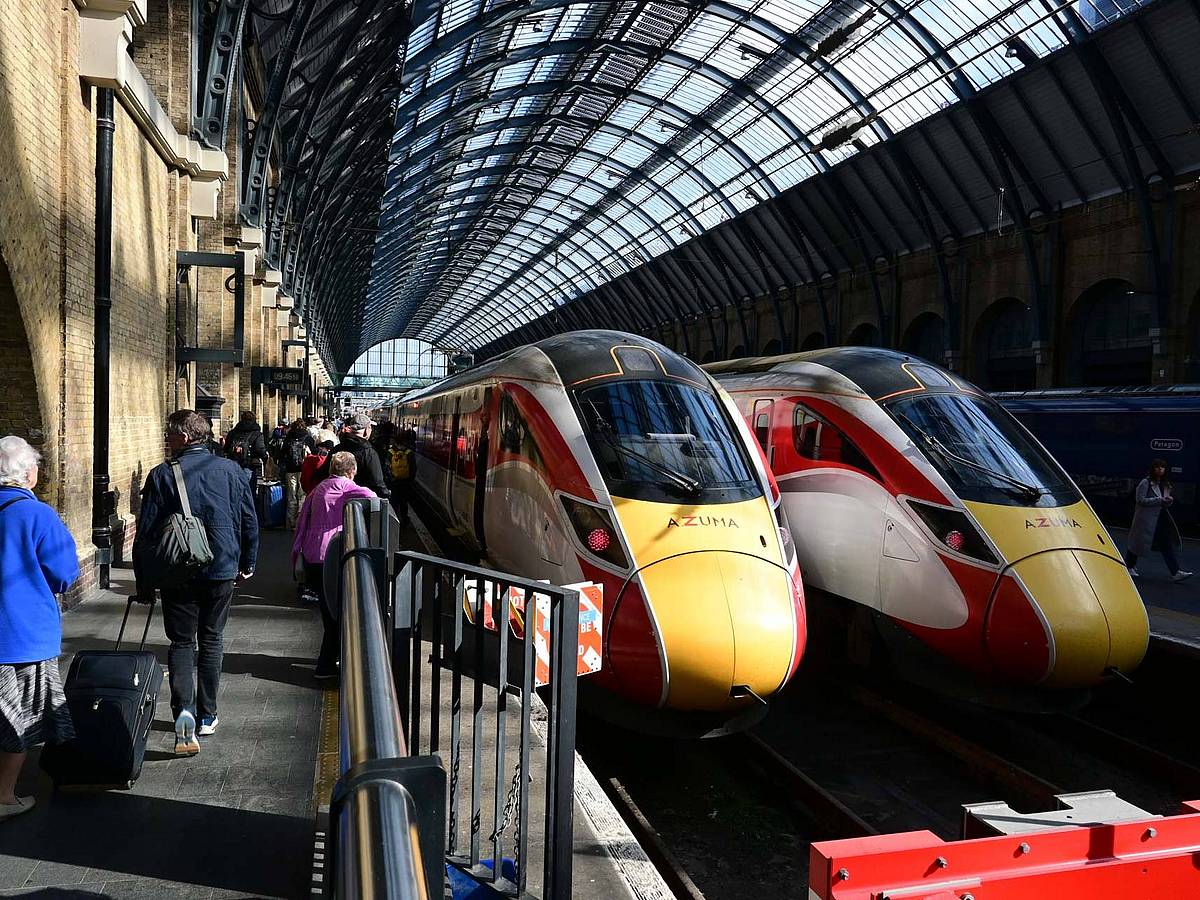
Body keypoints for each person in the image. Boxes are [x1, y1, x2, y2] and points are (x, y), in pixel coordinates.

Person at [134, 410, 259, 756]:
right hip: (222, 569)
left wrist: (144, 583)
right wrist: (247, 562)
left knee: (182, 644)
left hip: (178, 572)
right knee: (212, 639)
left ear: (185, 438)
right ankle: (208, 715)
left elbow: (146, 534)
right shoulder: (232, 471)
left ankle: (184, 716)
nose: (167, 441)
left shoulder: (162, 475)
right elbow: (250, 520)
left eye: (170, 435)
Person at [0, 436, 78, 819]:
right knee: (18, 717)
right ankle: (4, 796)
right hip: (21, 636)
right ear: (26, 473)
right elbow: (64, 573)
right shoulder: (37, 515)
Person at [292, 452, 376, 680]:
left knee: (329, 611)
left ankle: (332, 659)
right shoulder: (345, 487)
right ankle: (325, 665)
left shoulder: (319, 487)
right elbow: (373, 496)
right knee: (336, 614)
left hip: (312, 555)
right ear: (352, 470)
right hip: (331, 556)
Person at [1125, 459, 1192, 582]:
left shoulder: (1165, 484)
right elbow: (1140, 500)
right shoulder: (1145, 483)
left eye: (1162, 467)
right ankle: (1129, 566)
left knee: (1165, 544)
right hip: (1146, 519)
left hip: (1160, 518)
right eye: (1157, 467)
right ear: (1153, 469)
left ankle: (1175, 571)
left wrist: (1168, 501)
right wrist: (1159, 500)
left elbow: (1163, 502)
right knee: (1137, 542)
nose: (1160, 469)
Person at [316, 413, 390, 499]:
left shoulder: (336, 449)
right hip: (361, 504)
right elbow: (377, 482)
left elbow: (323, 474)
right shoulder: (369, 453)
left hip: (336, 501)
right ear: (367, 430)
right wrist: (386, 495)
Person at [224, 411, 269, 495]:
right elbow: (260, 449)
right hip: (248, 465)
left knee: (234, 492)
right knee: (249, 493)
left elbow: (226, 448)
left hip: (233, 466)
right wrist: (265, 457)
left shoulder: (233, 432)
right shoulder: (257, 434)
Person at [281, 420, 315, 529]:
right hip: (304, 469)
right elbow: (313, 453)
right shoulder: (308, 438)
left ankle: (291, 522)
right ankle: (301, 521)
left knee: (291, 497)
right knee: (302, 496)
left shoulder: (288, 437)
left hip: (290, 470)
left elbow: (283, 452)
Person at [387, 429, 415, 523]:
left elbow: (386, 467)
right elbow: (413, 468)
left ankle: (392, 520)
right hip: (405, 481)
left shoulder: (390, 452)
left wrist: (389, 479)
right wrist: (410, 480)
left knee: (394, 501)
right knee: (404, 501)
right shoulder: (409, 453)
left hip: (394, 481)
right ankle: (404, 519)